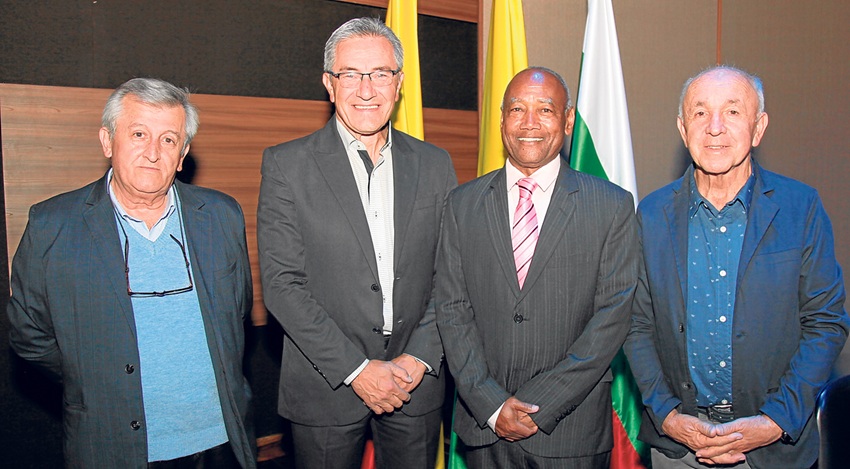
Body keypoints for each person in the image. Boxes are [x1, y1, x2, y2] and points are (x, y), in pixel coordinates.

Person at [6, 78, 256, 467]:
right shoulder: (52, 225)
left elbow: (236, 312)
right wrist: (95, 378)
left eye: (168, 140)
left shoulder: (222, 215)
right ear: (107, 141)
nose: (153, 153)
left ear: (184, 152)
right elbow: (29, 334)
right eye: (138, 134)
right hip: (112, 445)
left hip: (219, 442)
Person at [624, 65, 849, 468]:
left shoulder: (801, 208)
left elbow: (826, 323)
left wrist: (776, 419)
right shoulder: (652, 213)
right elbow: (636, 324)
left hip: (774, 447)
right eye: (699, 113)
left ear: (758, 127)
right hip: (678, 446)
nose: (714, 128)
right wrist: (668, 414)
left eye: (732, 112)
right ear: (682, 128)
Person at [256, 17, 456, 468]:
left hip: (415, 383)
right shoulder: (287, 166)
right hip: (325, 385)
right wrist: (358, 370)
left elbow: (451, 276)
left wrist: (420, 358)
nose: (367, 88)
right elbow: (283, 285)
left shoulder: (436, 164)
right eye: (351, 74)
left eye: (380, 73)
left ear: (399, 83)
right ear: (329, 84)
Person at [435, 67, 639, 468]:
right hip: (484, 429)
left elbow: (613, 317)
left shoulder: (611, 206)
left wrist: (540, 405)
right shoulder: (461, 205)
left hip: (570, 431)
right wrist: (491, 404)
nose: (529, 123)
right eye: (517, 109)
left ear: (567, 120)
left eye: (545, 110)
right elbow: (452, 309)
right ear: (501, 120)